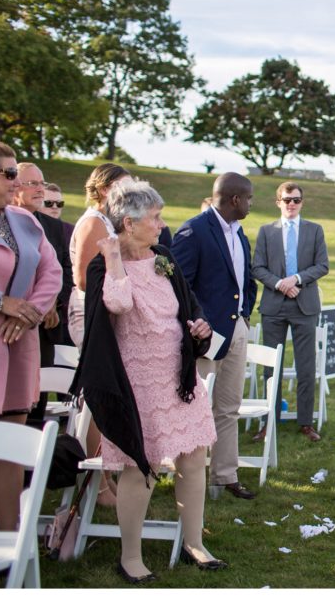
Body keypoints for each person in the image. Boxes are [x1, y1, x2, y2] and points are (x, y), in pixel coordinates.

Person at [70, 180, 222, 583]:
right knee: (143, 467)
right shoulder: (104, 263)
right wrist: (115, 256)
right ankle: (131, 557)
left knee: (193, 458)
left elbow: (186, 305)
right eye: (154, 218)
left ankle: (194, 543)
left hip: (177, 377)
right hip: (137, 383)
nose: (161, 224)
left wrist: (199, 326)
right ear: (129, 222)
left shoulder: (163, 257)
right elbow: (118, 304)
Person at [0, 141, 62, 530]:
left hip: (18, 343)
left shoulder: (25, 221)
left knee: (10, 445)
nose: (18, 182)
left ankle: (11, 539)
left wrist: (30, 312)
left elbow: (52, 271)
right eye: (9, 174)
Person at [172, 172, 258, 500]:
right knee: (196, 407)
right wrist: (199, 323)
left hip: (236, 329)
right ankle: (187, 476)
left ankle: (225, 475)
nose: (251, 204)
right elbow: (180, 286)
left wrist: (245, 314)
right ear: (234, 199)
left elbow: (246, 281)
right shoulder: (194, 231)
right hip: (205, 336)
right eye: (248, 198)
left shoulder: (240, 233)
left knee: (229, 406)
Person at [68, 162, 131, 507]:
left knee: (105, 394)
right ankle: (100, 481)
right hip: (90, 313)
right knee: (97, 395)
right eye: (124, 186)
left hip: (102, 312)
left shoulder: (107, 221)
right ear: (105, 189)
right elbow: (83, 278)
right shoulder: (94, 221)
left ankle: (106, 475)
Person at [251, 182, 329, 442]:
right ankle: (267, 422)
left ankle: (305, 423)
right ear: (278, 202)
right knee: (270, 368)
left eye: (296, 200)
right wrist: (279, 284)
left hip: (304, 305)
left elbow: (322, 266)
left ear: (302, 202)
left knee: (306, 367)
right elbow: (258, 268)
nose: (291, 204)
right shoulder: (266, 231)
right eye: (287, 200)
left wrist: (295, 279)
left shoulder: (315, 230)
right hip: (274, 306)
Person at [13, 162, 74, 361]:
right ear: (14, 186)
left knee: (41, 386)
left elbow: (66, 268)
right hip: (8, 321)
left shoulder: (53, 227)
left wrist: (52, 301)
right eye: (32, 183)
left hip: (47, 323)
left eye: (42, 183)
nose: (40, 189)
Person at [40, 182, 74, 250]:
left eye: (59, 203)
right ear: (39, 204)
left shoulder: (70, 231)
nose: (55, 207)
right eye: (49, 203)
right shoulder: (33, 228)